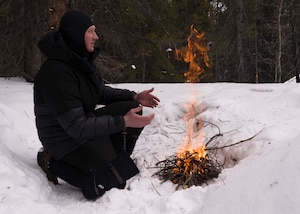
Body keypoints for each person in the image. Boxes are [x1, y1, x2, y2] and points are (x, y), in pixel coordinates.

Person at [34, 10, 160, 200]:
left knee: (132, 108)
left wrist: (135, 97)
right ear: (76, 33)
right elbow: (76, 127)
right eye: (91, 31)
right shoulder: (56, 72)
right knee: (114, 181)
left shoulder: (79, 59)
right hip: (63, 140)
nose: (96, 37)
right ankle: (51, 162)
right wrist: (123, 122)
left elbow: (100, 91)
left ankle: (113, 161)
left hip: (83, 126)